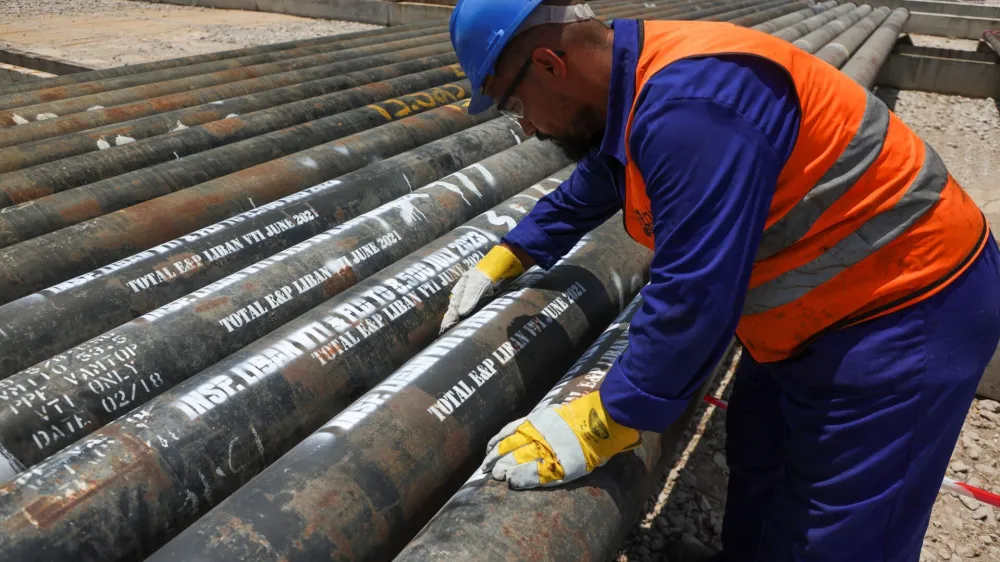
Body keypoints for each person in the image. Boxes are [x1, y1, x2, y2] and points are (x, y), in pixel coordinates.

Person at [440, 1, 1000, 560]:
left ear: (548, 63)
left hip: (905, 308)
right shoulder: (635, 73)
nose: (529, 126)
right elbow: (605, 172)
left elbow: (695, 290)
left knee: (839, 530)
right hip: (808, 316)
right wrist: (517, 249)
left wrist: (610, 415)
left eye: (516, 104)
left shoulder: (693, 110)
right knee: (760, 458)